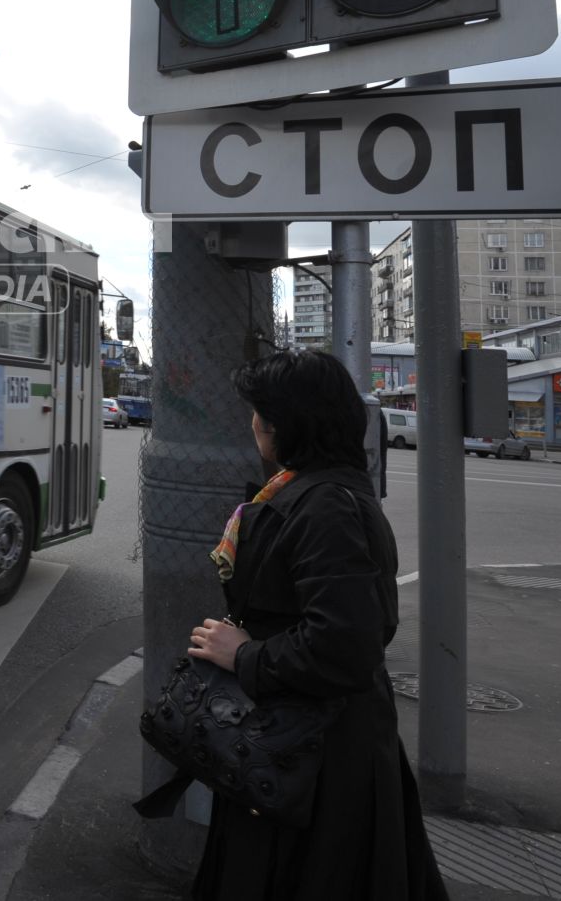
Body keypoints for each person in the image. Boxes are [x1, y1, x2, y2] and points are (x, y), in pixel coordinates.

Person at [183, 349, 447, 901]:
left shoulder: (324, 505)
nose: (253, 422)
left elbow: (345, 645)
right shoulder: (315, 490)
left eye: (260, 412)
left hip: (314, 761)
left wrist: (243, 654)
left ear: (285, 424)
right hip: (310, 745)